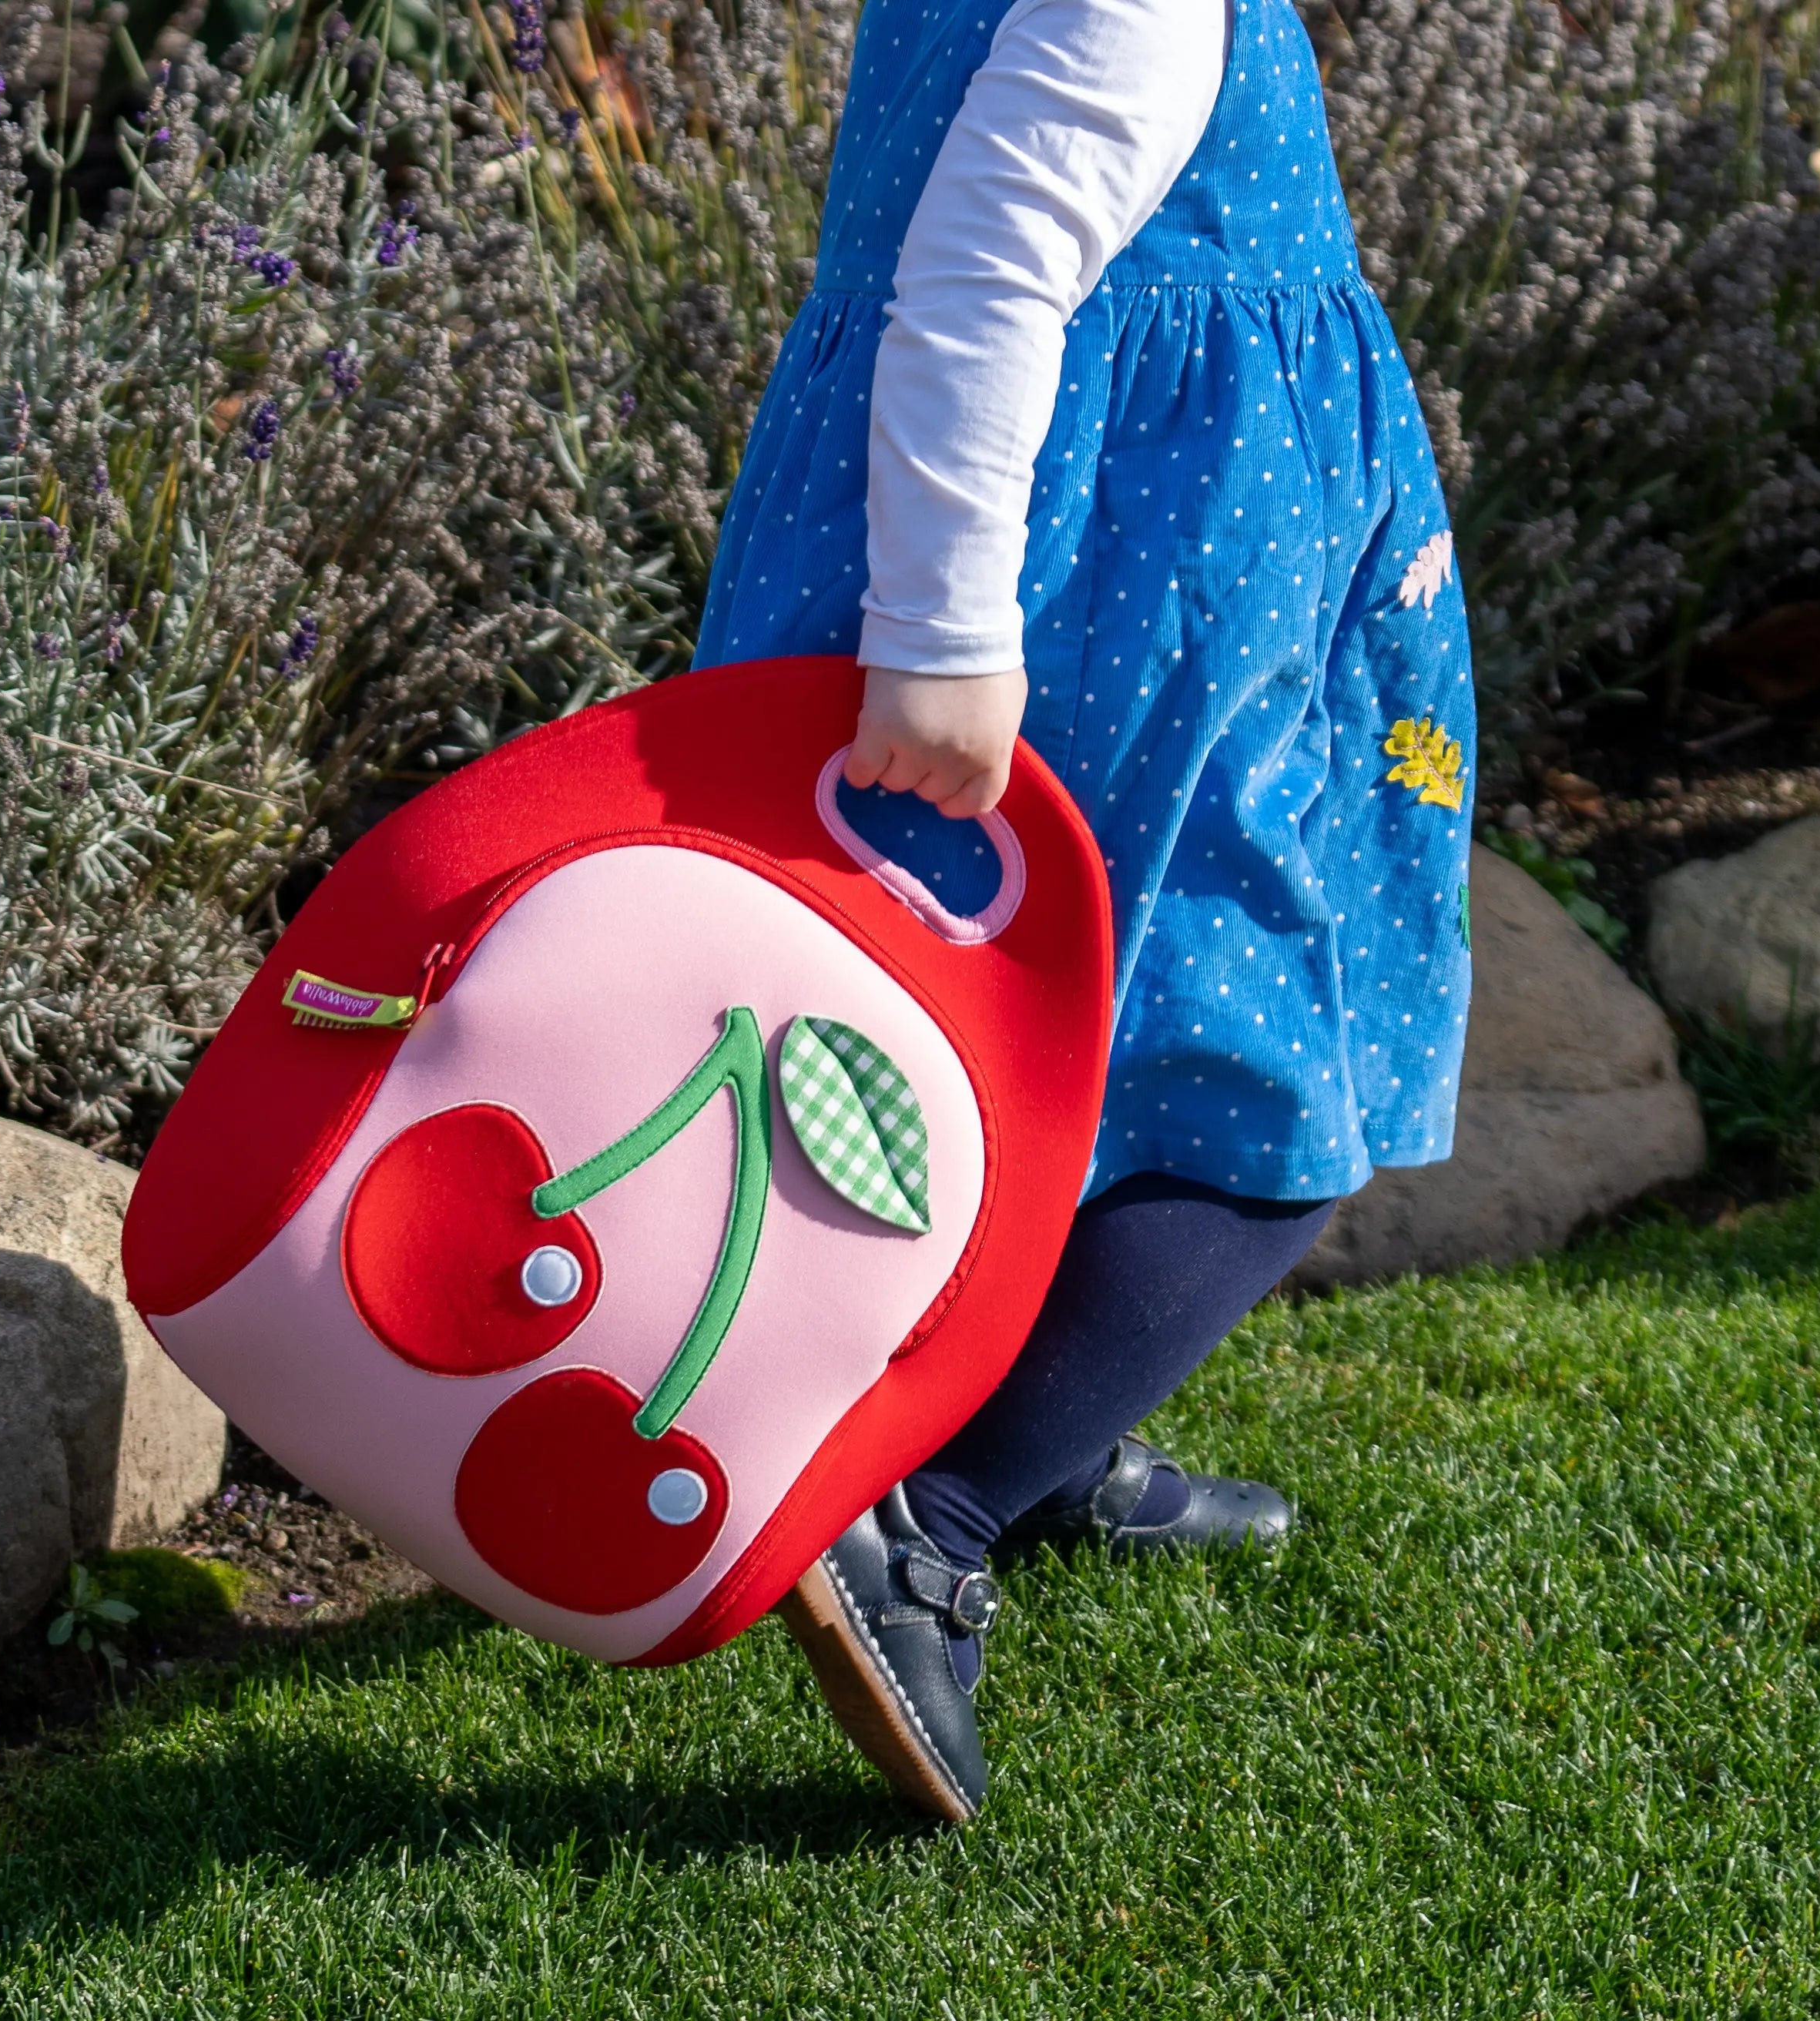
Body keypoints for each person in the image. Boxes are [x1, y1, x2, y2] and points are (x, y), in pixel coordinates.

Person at [696, 0, 1474, 1822]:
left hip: (1123, 574)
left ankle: (1048, 1450)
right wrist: (951, 639)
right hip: (1125, 606)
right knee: (1263, 1094)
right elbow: (987, 263)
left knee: (1062, 1040)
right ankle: (933, 1513)